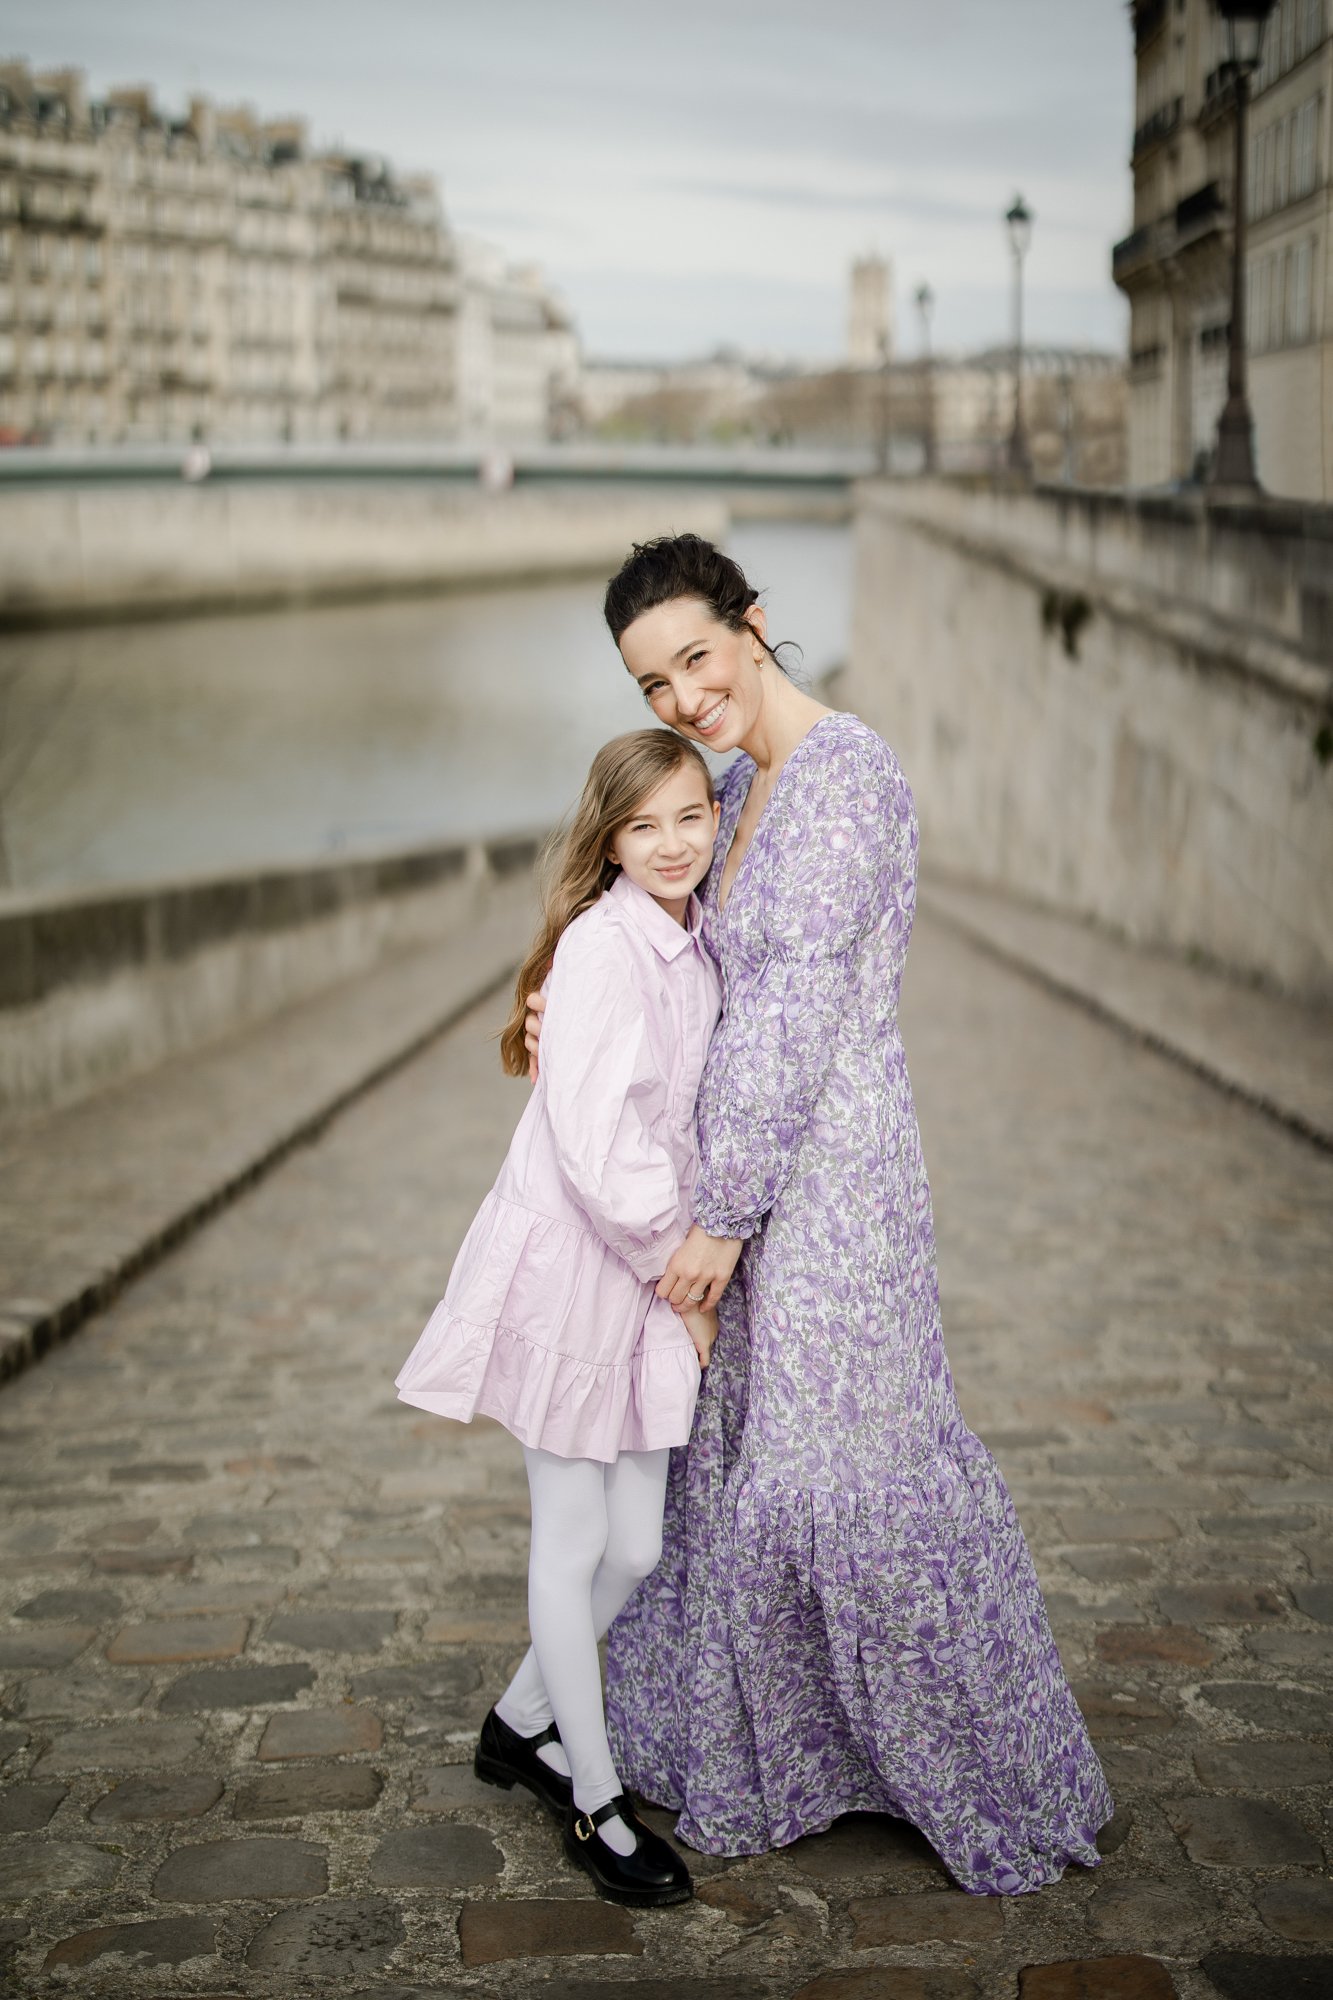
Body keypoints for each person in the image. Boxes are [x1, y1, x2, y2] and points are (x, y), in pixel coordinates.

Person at [524, 534, 1113, 1897]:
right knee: (752, 1466)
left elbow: (791, 1021)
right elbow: (651, 923)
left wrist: (722, 1220)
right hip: (741, 1169)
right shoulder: (726, 791)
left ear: (754, 625)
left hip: (829, 1179)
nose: (678, 695)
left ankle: (952, 1758)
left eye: (694, 656)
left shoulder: (844, 781)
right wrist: (565, 1005)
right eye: (649, 680)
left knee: (844, 1464)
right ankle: (809, 1751)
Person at [396, 728, 724, 1909]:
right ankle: (591, 1799)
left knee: (636, 1542)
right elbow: (594, 1146)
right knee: (573, 1534)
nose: (674, 843)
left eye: (691, 815)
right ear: (609, 839)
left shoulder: (690, 939)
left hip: (639, 1275)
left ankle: (518, 1719)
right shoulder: (599, 949)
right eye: (644, 827)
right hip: (580, 1269)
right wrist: (685, 1278)